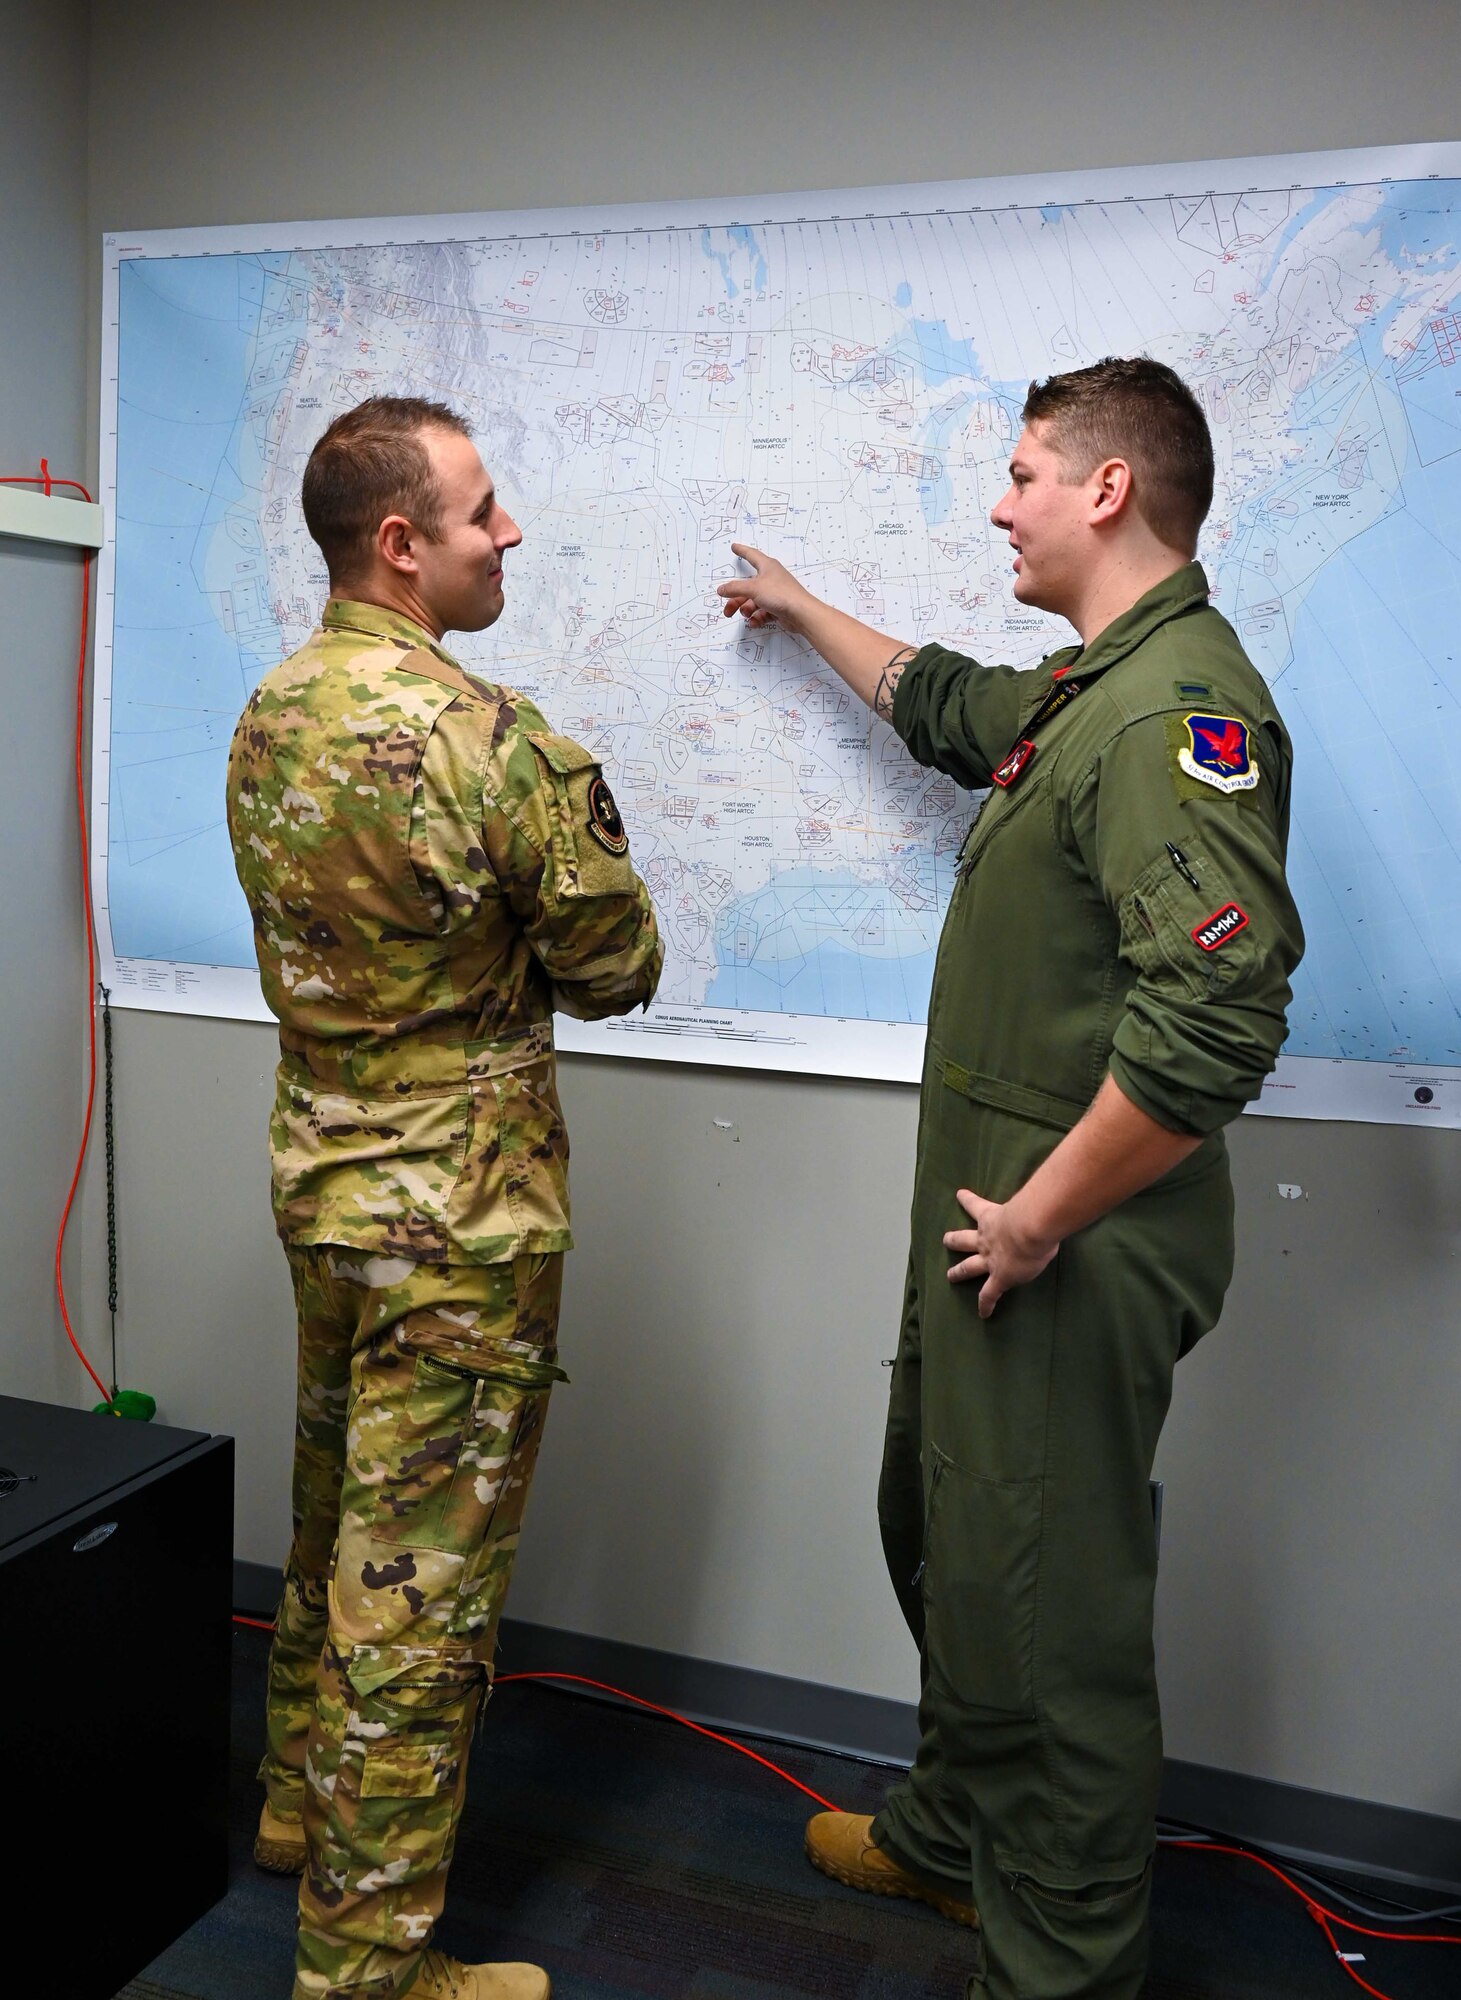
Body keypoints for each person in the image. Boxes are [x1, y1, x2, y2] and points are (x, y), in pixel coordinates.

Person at [718, 357, 1303, 2000]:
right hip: (1000, 1231)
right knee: (950, 1540)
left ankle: (1059, 1966)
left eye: (1024, 470)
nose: (998, 498)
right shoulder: (1081, 690)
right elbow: (946, 702)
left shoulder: (1182, 714)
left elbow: (1219, 1010)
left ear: (1106, 491)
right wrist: (802, 606)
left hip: (1067, 1242)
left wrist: (1045, 1215)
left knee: (1052, 1623)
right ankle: (956, 1837)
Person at [226, 396, 662, 2000]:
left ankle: (295, 1809)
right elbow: (618, 965)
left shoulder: (271, 712)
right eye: (485, 509)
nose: (512, 532)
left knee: (333, 1515)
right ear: (399, 542)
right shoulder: (491, 741)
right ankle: (367, 1968)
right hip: (460, 1231)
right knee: (415, 1590)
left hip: (324, 1190)